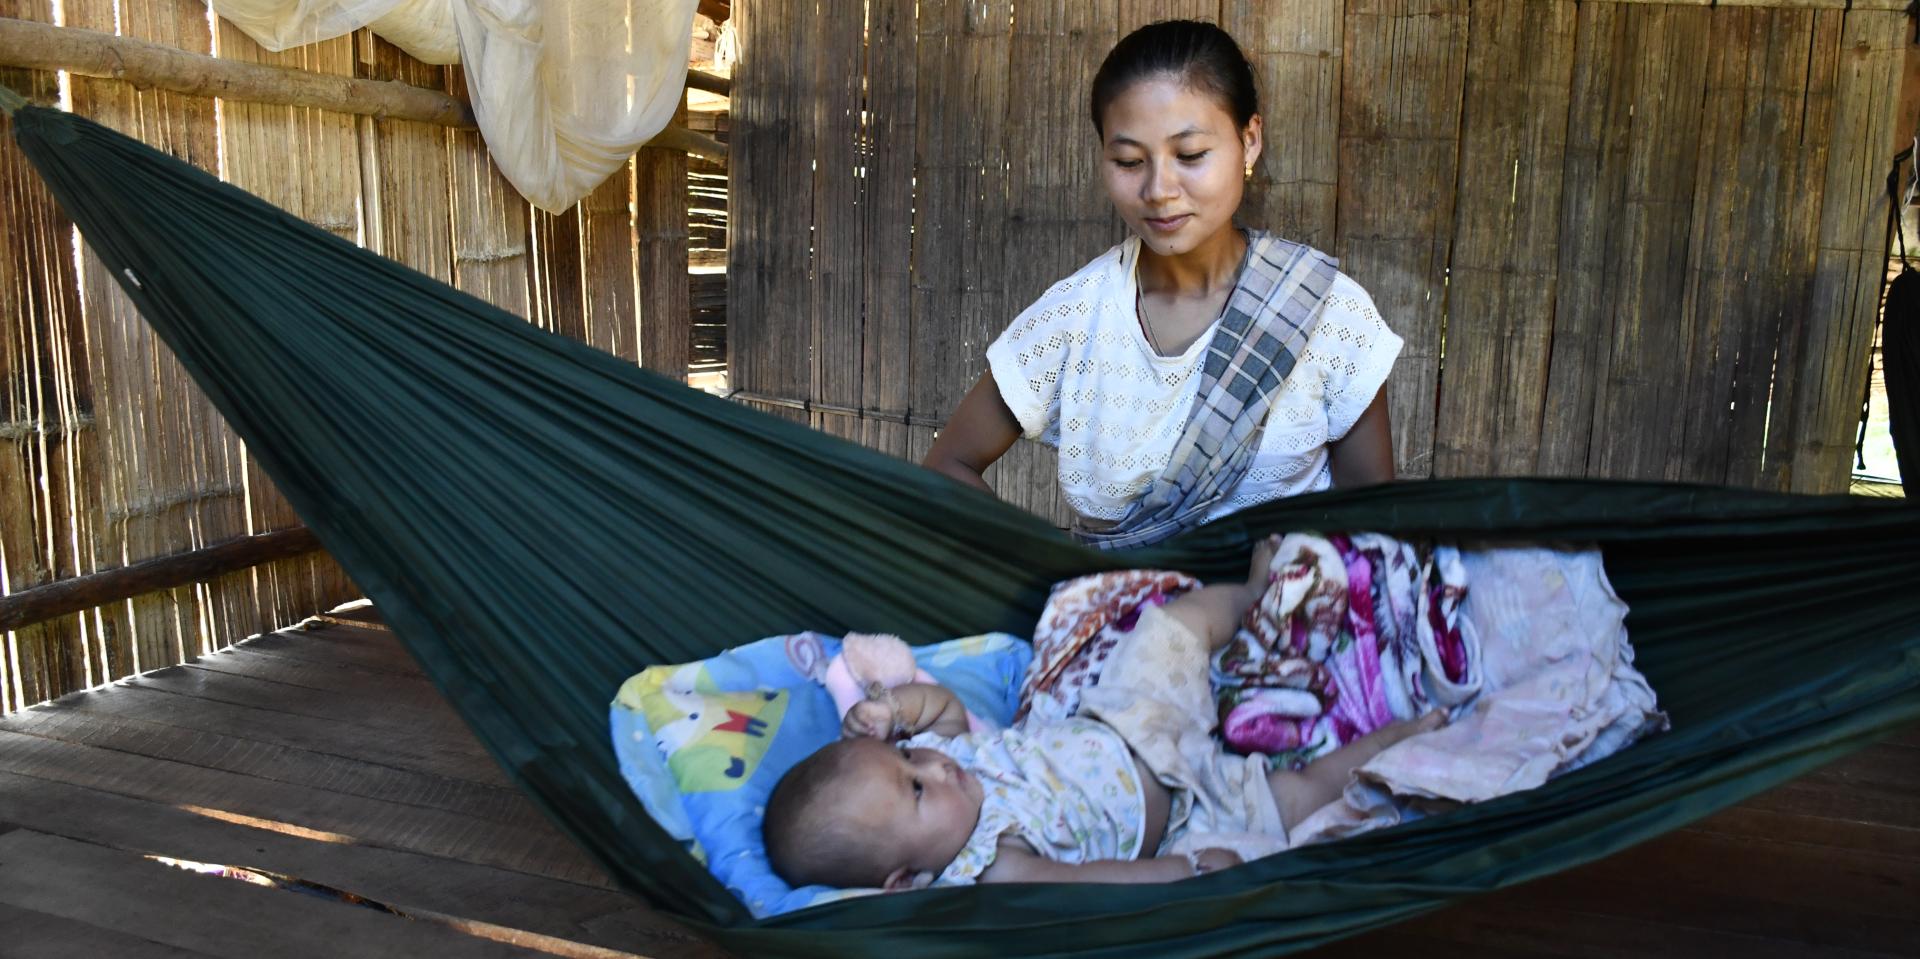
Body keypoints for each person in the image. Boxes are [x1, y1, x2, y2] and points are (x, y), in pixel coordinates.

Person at [923, 20, 1401, 548]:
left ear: (1249, 141)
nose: (1159, 189)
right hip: (1122, 623)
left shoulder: (1326, 313)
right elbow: (949, 464)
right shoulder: (1075, 319)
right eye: (1129, 161)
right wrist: (1059, 579)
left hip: (1284, 621)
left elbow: (1375, 528)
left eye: (1191, 155)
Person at [761, 537, 1443, 890]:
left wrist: (891, 709)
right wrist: (1184, 872)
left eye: (910, 758)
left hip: (1126, 720)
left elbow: (941, 713)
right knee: (1298, 800)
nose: (934, 766)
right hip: (1180, 819)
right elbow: (1090, 885)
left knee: (1171, 630)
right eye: (915, 788)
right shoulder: (991, 868)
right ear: (906, 879)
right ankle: (1410, 739)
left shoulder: (955, 762)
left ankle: (1256, 596)